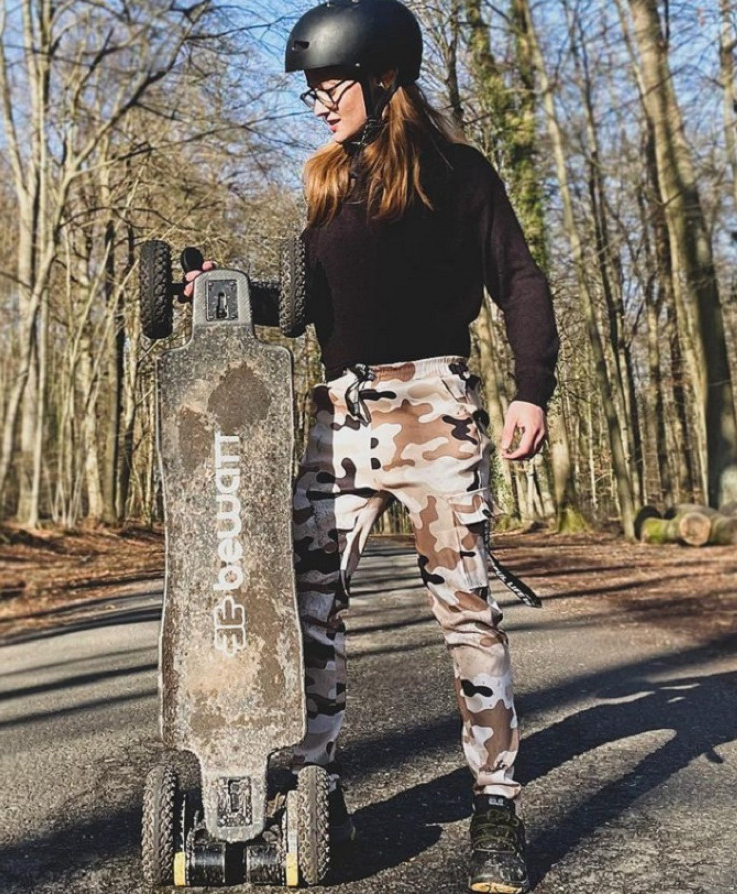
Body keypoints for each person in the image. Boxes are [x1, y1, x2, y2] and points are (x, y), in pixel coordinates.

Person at [185, 2, 558, 891]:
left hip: (437, 408)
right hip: (342, 412)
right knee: (308, 608)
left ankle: (496, 806)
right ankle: (318, 787)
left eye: (330, 84)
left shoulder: (460, 177)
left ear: (384, 77)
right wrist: (222, 291)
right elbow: (313, 303)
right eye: (310, 88)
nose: (316, 101)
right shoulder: (325, 182)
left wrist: (532, 390)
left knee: (467, 611)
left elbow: (520, 279)